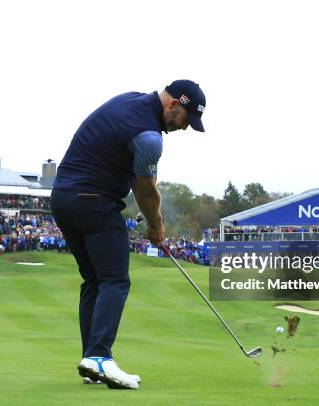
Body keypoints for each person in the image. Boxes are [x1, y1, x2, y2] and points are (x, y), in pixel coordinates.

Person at [51, 80, 206, 390]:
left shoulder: (130, 101)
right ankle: (99, 357)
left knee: (95, 280)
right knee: (115, 280)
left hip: (62, 199)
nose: (185, 128)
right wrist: (156, 227)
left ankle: (90, 362)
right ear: (174, 104)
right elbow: (146, 191)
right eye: (186, 120)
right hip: (93, 201)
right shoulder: (148, 136)